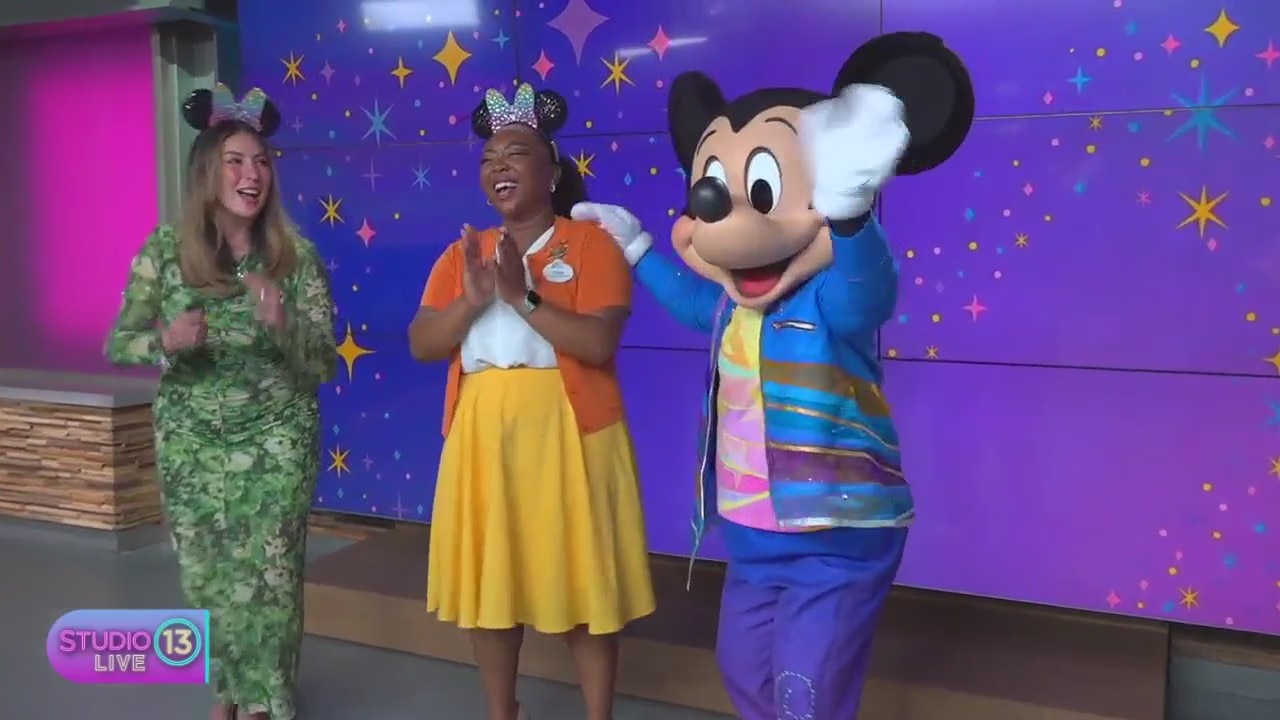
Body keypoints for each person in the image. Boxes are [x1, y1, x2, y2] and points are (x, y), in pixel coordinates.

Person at [570, 33, 975, 720]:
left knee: (804, 691)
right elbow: (694, 303)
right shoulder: (734, 306)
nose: (725, 222)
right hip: (751, 534)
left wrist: (850, 218)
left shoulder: (830, 300)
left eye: (760, 191)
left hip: (837, 534)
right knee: (745, 671)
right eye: (712, 194)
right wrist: (637, 248)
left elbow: (869, 290)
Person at [407, 82, 655, 720]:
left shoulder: (591, 245)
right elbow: (423, 343)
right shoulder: (463, 255)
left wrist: (523, 297)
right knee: (493, 591)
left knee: (584, 584)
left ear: (553, 171)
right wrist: (472, 300)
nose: (500, 166)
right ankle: (502, 712)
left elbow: (597, 342)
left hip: (570, 430)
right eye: (489, 158)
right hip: (483, 431)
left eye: (516, 153)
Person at [105, 84, 336, 720]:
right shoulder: (164, 251)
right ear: (208, 171)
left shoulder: (296, 258)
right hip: (191, 439)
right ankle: (227, 689)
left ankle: (267, 703)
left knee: (270, 575)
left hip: (278, 433)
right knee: (208, 574)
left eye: (261, 162)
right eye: (236, 161)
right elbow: (120, 341)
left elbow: (323, 362)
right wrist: (166, 341)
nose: (251, 175)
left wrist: (284, 324)